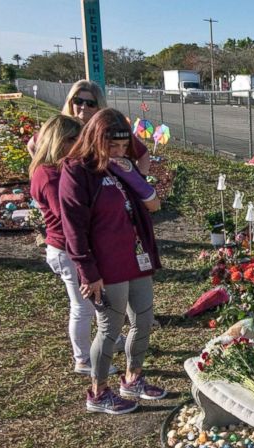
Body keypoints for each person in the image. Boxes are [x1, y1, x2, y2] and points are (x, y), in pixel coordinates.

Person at [59, 108, 165, 415]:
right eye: (112, 147)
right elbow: (74, 228)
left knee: (143, 320)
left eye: (123, 147)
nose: (119, 153)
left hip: (135, 258)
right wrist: (88, 272)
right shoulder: (77, 170)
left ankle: (133, 377)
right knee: (109, 327)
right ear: (95, 140)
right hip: (106, 266)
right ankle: (98, 391)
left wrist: (131, 174)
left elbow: (152, 205)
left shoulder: (124, 168)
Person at [30, 114, 117, 376]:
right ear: (61, 141)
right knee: (82, 306)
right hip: (66, 249)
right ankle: (83, 359)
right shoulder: (50, 175)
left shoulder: (56, 170)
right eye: (77, 140)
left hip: (69, 247)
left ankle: (108, 339)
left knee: (93, 301)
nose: (82, 145)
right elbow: (68, 216)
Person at [28, 80, 150, 175]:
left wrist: (139, 181)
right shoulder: (60, 127)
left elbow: (143, 154)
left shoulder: (109, 127)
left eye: (91, 103)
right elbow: (32, 145)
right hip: (70, 190)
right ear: (71, 102)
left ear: (99, 106)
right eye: (78, 101)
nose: (83, 106)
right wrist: (47, 172)